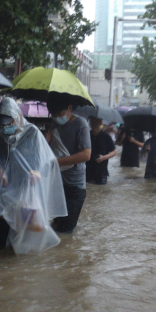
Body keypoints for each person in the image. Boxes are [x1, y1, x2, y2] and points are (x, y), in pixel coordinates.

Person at [0, 98, 67, 253]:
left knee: (24, 231)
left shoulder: (32, 133)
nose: (5, 128)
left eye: (8, 124)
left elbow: (44, 159)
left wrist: (36, 172)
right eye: (1, 125)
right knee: (0, 235)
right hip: (6, 187)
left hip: (26, 187)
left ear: (17, 117)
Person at [47, 98, 92, 233]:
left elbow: (86, 155)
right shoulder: (52, 124)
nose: (57, 118)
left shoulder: (81, 124)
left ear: (70, 108)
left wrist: (58, 162)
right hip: (56, 183)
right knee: (55, 225)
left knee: (65, 231)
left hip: (74, 186)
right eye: (53, 115)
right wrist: (46, 141)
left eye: (60, 114)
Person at [86, 116, 117, 185]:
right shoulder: (86, 135)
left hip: (101, 172)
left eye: (96, 122)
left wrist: (104, 157)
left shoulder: (106, 137)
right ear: (90, 123)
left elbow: (114, 152)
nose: (94, 124)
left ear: (100, 123)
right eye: (92, 122)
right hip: (88, 170)